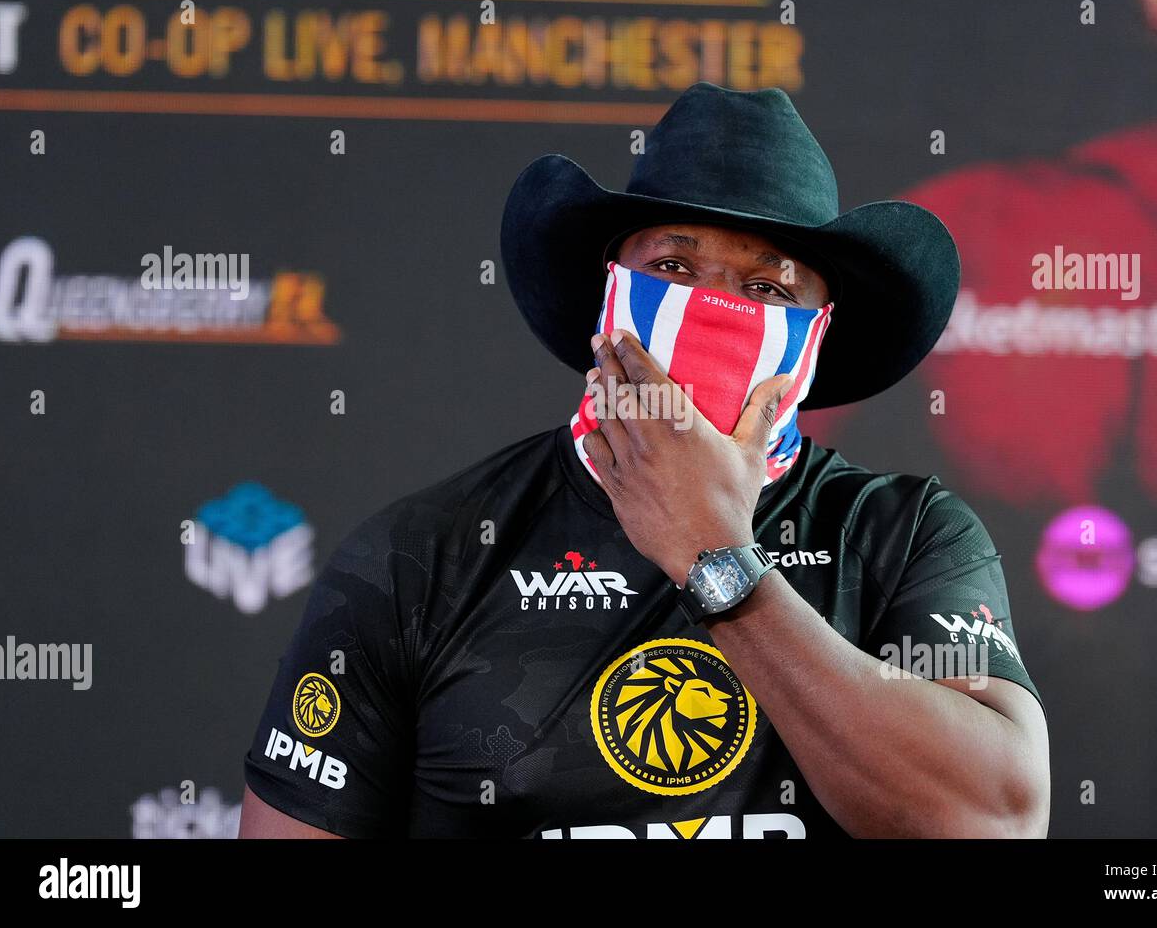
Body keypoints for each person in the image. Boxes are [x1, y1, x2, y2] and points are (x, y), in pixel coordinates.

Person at [239, 82, 1050, 839]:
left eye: (767, 289)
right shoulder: (427, 554)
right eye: (671, 268)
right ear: (611, 293)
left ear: (817, 333)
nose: (715, 306)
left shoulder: (906, 537)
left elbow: (995, 819)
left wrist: (715, 556)